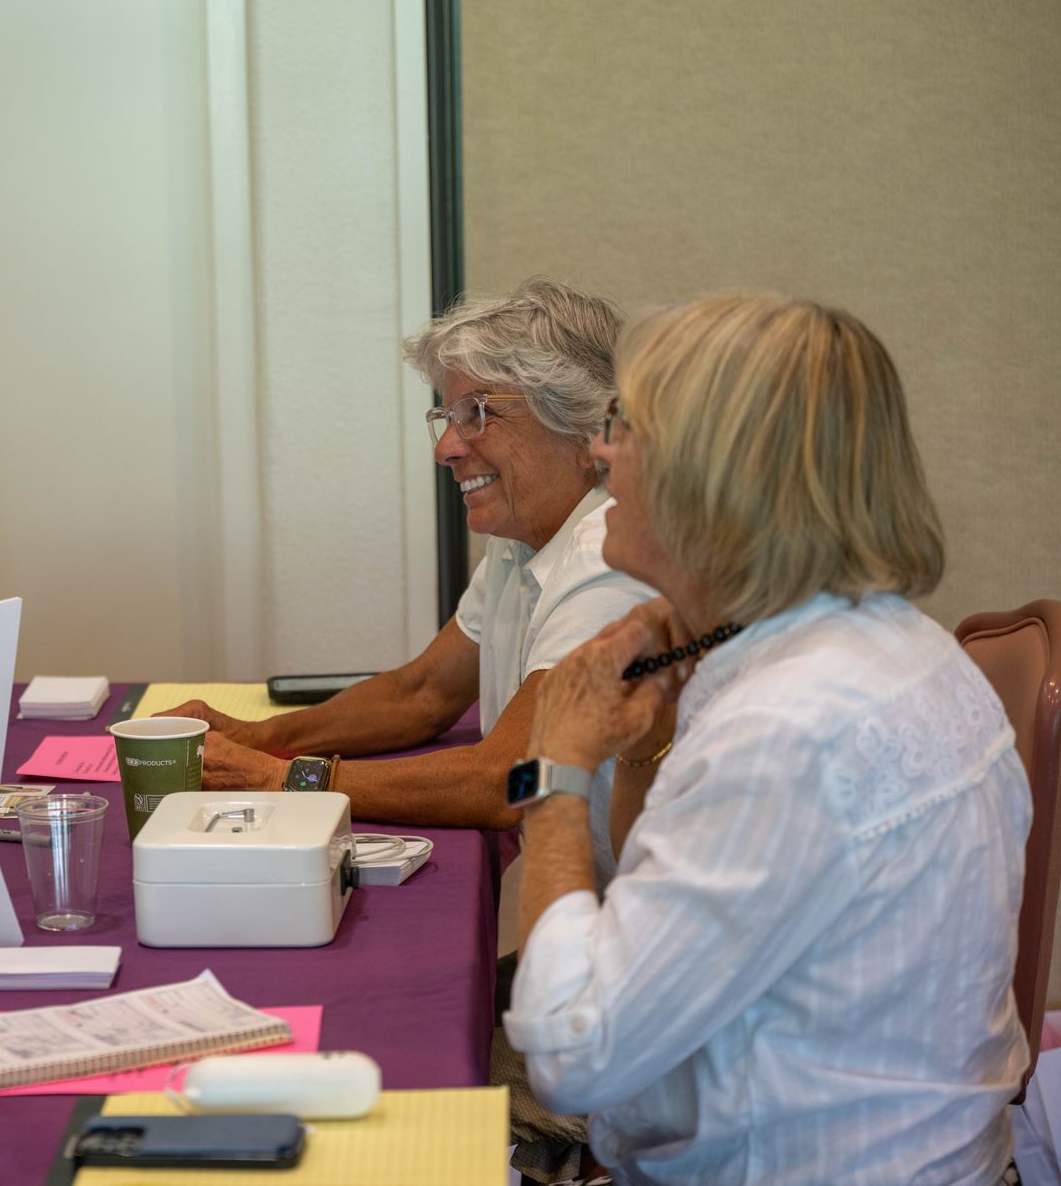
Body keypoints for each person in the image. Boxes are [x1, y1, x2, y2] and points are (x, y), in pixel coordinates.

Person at [504, 294, 1028, 1182]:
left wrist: (552, 773)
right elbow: (665, 906)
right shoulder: (873, 642)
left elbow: (574, 1049)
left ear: (710, 472)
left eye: (622, 425)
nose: (600, 451)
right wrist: (635, 743)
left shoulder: (790, 725)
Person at [169, 279, 658, 862]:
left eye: (478, 413)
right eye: (448, 416)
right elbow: (421, 693)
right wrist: (252, 739)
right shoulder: (524, 537)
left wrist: (283, 779)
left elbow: (510, 778)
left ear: (584, 430)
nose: (446, 447)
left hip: (647, 930)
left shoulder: (611, 551)